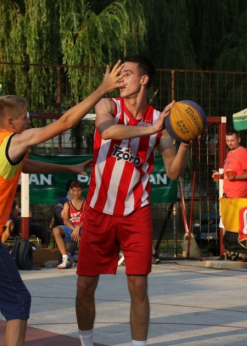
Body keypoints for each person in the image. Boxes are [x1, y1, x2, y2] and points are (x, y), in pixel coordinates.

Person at [0, 61, 125, 346]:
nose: (29, 121)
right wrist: (103, 89)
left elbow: (26, 165)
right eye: (26, 117)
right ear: (11, 123)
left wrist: (67, 169)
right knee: (18, 300)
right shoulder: (15, 140)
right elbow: (66, 122)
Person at [75, 55, 190, 346]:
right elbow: (107, 131)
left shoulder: (158, 121)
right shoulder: (108, 105)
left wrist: (187, 141)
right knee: (85, 286)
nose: (119, 79)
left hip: (135, 210)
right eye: (118, 74)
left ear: (143, 80)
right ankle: (85, 343)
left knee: (139, 285)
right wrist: (150, 130)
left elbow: (174, 171)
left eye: (126, 74)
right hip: (98, 210)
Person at [212, 129, 247, 263]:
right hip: (229, 196)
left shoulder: (243, 153)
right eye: (227, 141)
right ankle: (229, 252)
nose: (229, 143)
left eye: (232, 140)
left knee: (239, 225)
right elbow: (230, 175)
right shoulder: (230, 153)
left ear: (239, 140)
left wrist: (236, 177)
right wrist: (219, 176)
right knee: (228, 225)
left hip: (240, 196)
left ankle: (241, 254)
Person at [52, 180, 85, 269]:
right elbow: (65, 221)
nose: (76, 193)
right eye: (74, 190)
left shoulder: (86, 203)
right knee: (56, 230)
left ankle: (86, 259)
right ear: (71, 191)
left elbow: (87, 219)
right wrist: (74, 229)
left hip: (82, 227)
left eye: (78, 190)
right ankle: (65, 258)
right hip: (71, 228)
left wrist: (77, 228)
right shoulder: (67, 204)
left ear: (82, 190)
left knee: (87, 232)